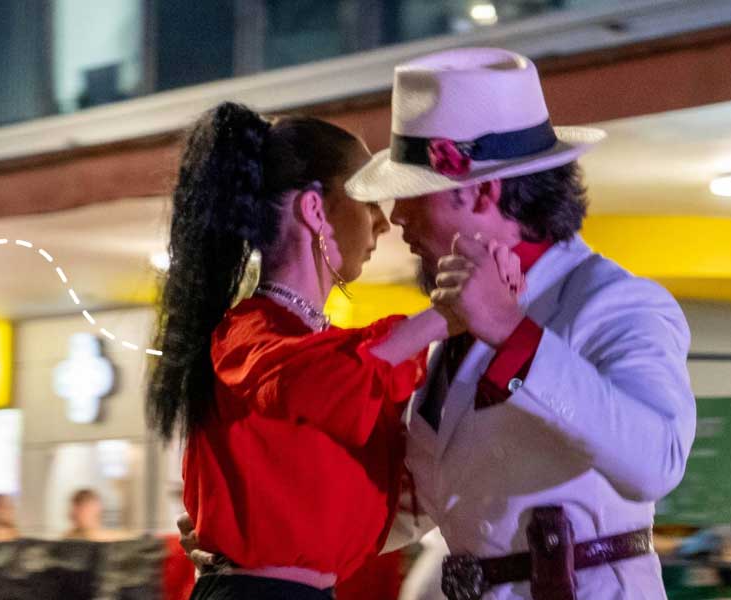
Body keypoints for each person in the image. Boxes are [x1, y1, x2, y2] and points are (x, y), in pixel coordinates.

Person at [350, 47, 697, 599]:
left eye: (415, 196)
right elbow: (429, 500)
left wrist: (515, 336)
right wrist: (264, 540)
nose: (398, 218)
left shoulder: (618, 302)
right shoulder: (458, 333)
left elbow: (657, 460)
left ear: (484, 192)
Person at [149, 102, 462, 599]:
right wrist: (443, 316)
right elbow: (315, 382)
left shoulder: (322, 352)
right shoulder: (250, 332)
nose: (382, 223)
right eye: (366, 198)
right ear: (315, 209)